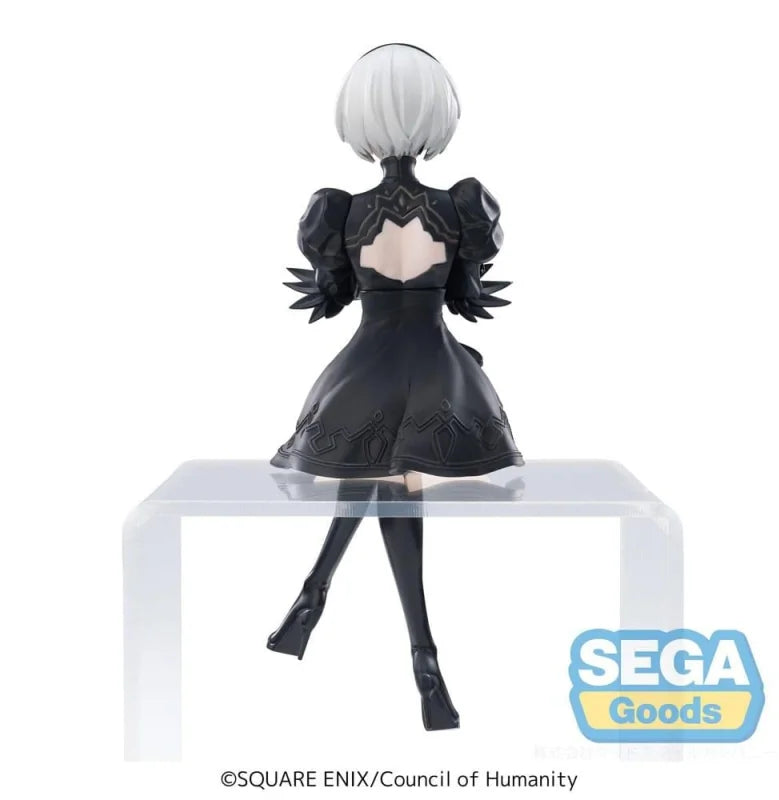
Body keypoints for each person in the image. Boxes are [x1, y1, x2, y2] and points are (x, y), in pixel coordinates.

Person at [268, 43, 523, 731]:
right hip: (436, 367)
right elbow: (466, 290)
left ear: (356, 119)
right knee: (390, 483)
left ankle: (316, 596)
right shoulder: (462, 205)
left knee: (378, 475)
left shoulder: (339, 211)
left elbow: (333, 293)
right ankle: (421, 655)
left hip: (367, 369)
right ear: (440, 116)